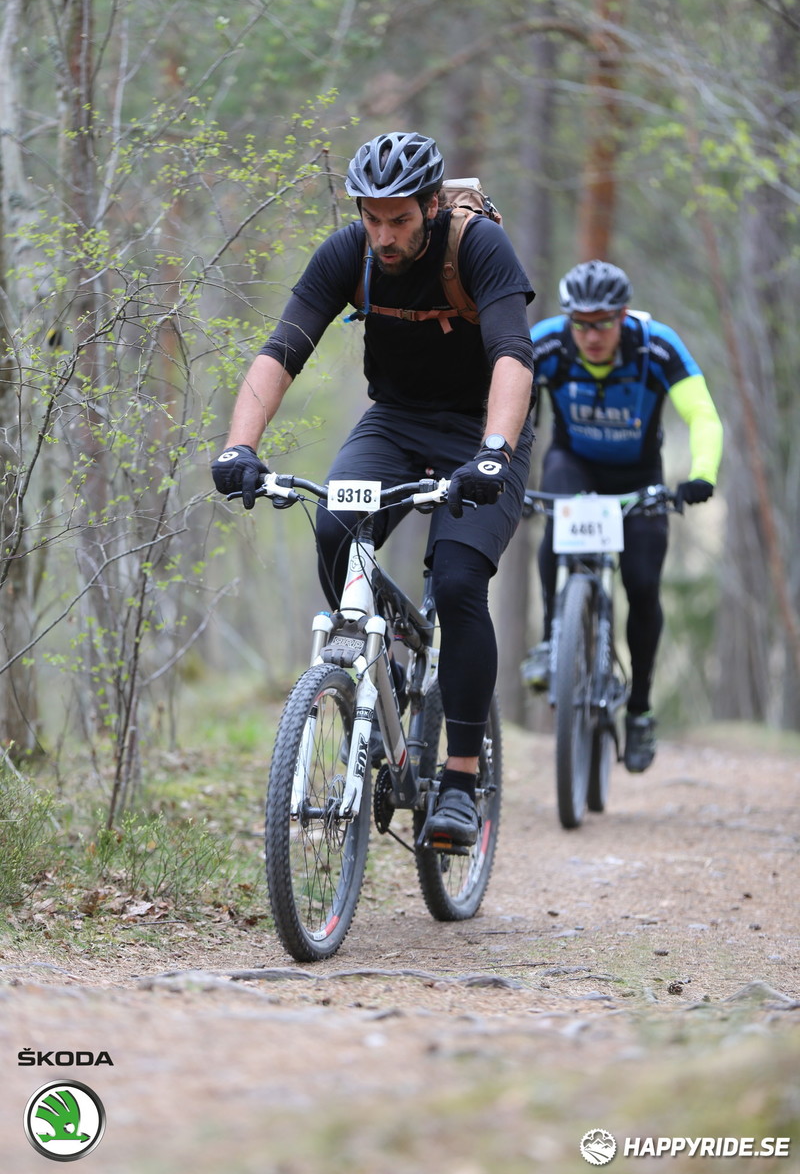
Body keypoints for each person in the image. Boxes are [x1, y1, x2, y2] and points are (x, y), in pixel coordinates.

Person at [211, 131, 536, 846]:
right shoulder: (346, 254)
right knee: (332, 525)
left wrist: (493, 454)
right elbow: (281, 349)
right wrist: (240, 445)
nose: (384, 236)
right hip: (393, 424)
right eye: (372, 218)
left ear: (430, 205)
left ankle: (456, 780)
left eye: (400, 220)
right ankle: (376, 664)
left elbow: (514, 354)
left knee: (456, 583)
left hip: (484, 430)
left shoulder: (478, 248)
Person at [521, 259, 723, 773]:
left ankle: (639, 710)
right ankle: (552, 641)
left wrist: (700, 475)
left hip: (639, 480)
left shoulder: (657, 345)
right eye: (581, 323)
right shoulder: (546, 342)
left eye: (603, 323)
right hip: (574, 463)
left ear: (623, 316)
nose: (591, 335)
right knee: (559, 518)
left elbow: (701, 413)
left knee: (641, 584)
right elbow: (501, 399)